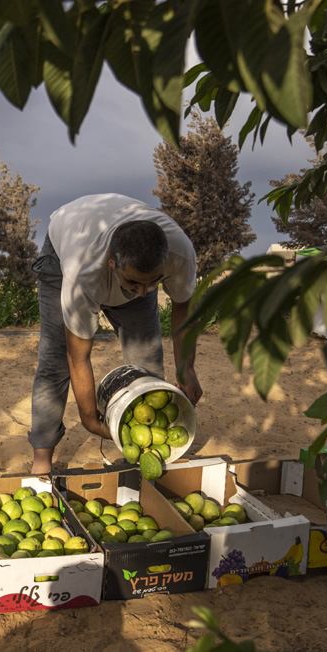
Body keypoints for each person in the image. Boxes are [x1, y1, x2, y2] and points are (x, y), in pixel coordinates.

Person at [29, 193, 203, 474]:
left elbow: (183, 308)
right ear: (112, 262)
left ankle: (147, 450)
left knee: (147, 359)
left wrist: (186, 369)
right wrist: (89, 419)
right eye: (134, 281)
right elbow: (78, 356)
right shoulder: (82, 272)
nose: (144, 292)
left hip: (130, 258)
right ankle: (41, 459)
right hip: (64, 248)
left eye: (154, 282)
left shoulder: (179, 255)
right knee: (55, 362)